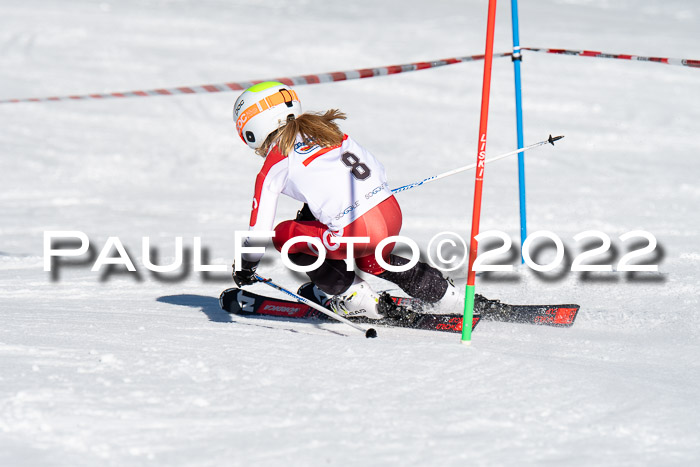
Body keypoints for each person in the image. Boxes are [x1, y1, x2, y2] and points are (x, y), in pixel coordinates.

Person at [231, 81, 465, 319]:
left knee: (284, 235)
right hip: (390, 213)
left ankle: (355, 297)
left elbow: (259, 231)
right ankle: (444, 294)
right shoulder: (328, 132)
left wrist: (246, 265)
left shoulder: (276, 160)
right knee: (373, 260)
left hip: (355, 230)